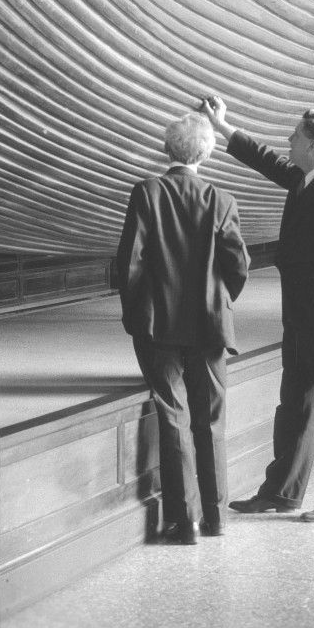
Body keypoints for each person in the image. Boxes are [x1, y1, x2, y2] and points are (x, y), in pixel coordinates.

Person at [200, 96, 314, 523]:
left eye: (295, 136)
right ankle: (282, 492)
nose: (288, 141)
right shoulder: (307, 177)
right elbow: (265, 160)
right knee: (294, 406)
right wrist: (223, 127)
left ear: (313, 145)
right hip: (299, 317)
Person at [114, 110, 251, 545]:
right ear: (207, 154)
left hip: (158, 326)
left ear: (166, 149)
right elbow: (238, 266)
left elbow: (129, 263)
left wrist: (137, 312)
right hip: (210, 325)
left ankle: (185, 520)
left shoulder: (147, 193)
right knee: (210, 420)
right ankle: (217, 517)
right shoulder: (222, 200)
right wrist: (217, 299)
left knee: (172, 415)